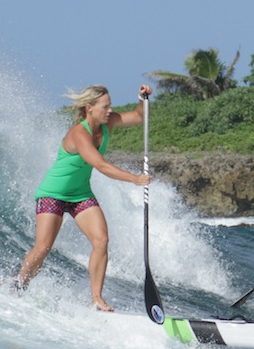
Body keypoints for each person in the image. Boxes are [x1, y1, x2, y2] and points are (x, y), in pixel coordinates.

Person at [16, 84, 153, 311]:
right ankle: (20, 285)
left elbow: (139, 116)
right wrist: (134, 179)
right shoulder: (79, 133)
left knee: (101, 241)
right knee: (42, 248)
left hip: (80, 194)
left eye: (110, 106)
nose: (110, 111)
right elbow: (99, 164)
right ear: (89, 108)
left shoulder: (107, 123)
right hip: (53, 193)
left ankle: (97, 298)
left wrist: (142, 98)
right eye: (105, 106)